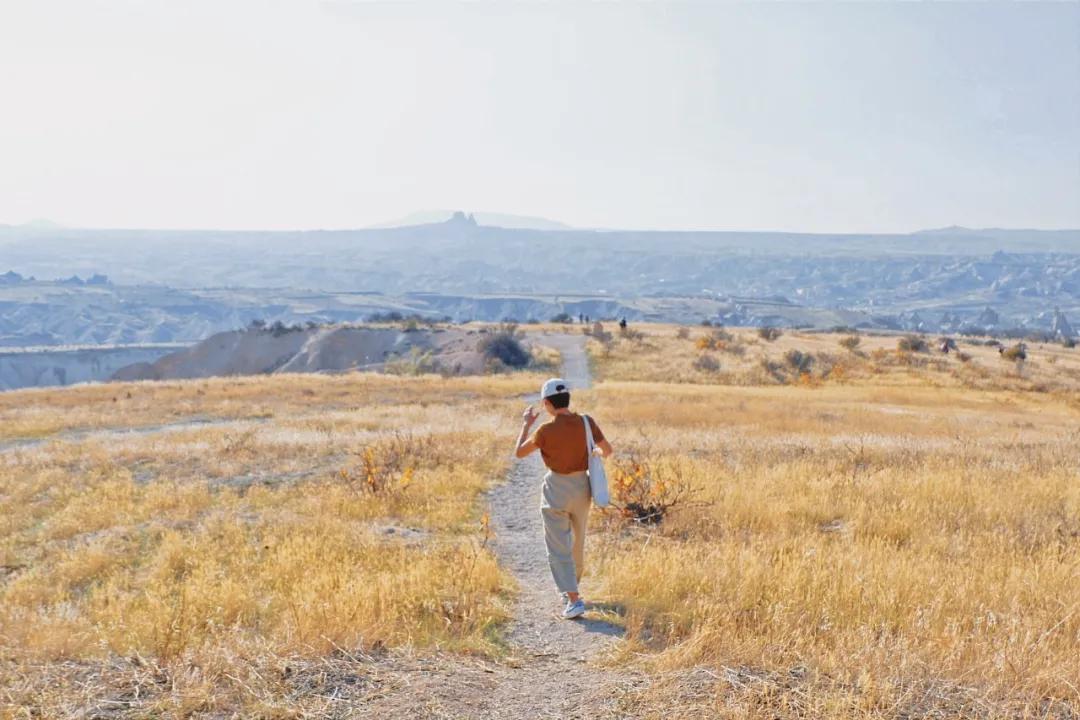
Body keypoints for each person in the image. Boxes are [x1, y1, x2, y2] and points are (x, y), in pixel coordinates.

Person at [514, 378, 613, 619]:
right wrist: (594, 453)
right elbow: (607, 450)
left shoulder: (545, 430)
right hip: (582, 487)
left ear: (547, 403)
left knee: (558, 544)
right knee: (577, 542)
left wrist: (526, 425)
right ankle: (572, 587)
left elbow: (520, 452)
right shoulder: (586, 422)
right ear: (567, 399)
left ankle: (573, 598)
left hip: (556, 489)